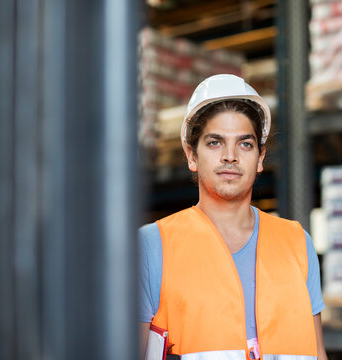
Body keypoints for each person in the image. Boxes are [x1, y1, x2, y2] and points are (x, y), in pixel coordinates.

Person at [139, 74, 328, 360]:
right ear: (191, 155)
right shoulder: (153, 245)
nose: (230, 156)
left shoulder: (297, 243)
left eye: (245, 144)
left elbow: (316, 352)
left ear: (261, 158)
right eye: (215, 143)